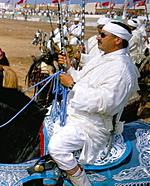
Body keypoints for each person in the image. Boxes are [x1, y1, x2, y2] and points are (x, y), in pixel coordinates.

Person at [49, 20, 139, 185]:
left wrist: (72, 85)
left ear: (118, 40)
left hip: (93, 125)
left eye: (103, 35)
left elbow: (108, 103)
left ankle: (82, 182)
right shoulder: (104, 58)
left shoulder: (122, 69)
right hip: (77, 114)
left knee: (56, 147)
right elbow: (84, 82)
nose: (98, 37)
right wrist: (69, 69)